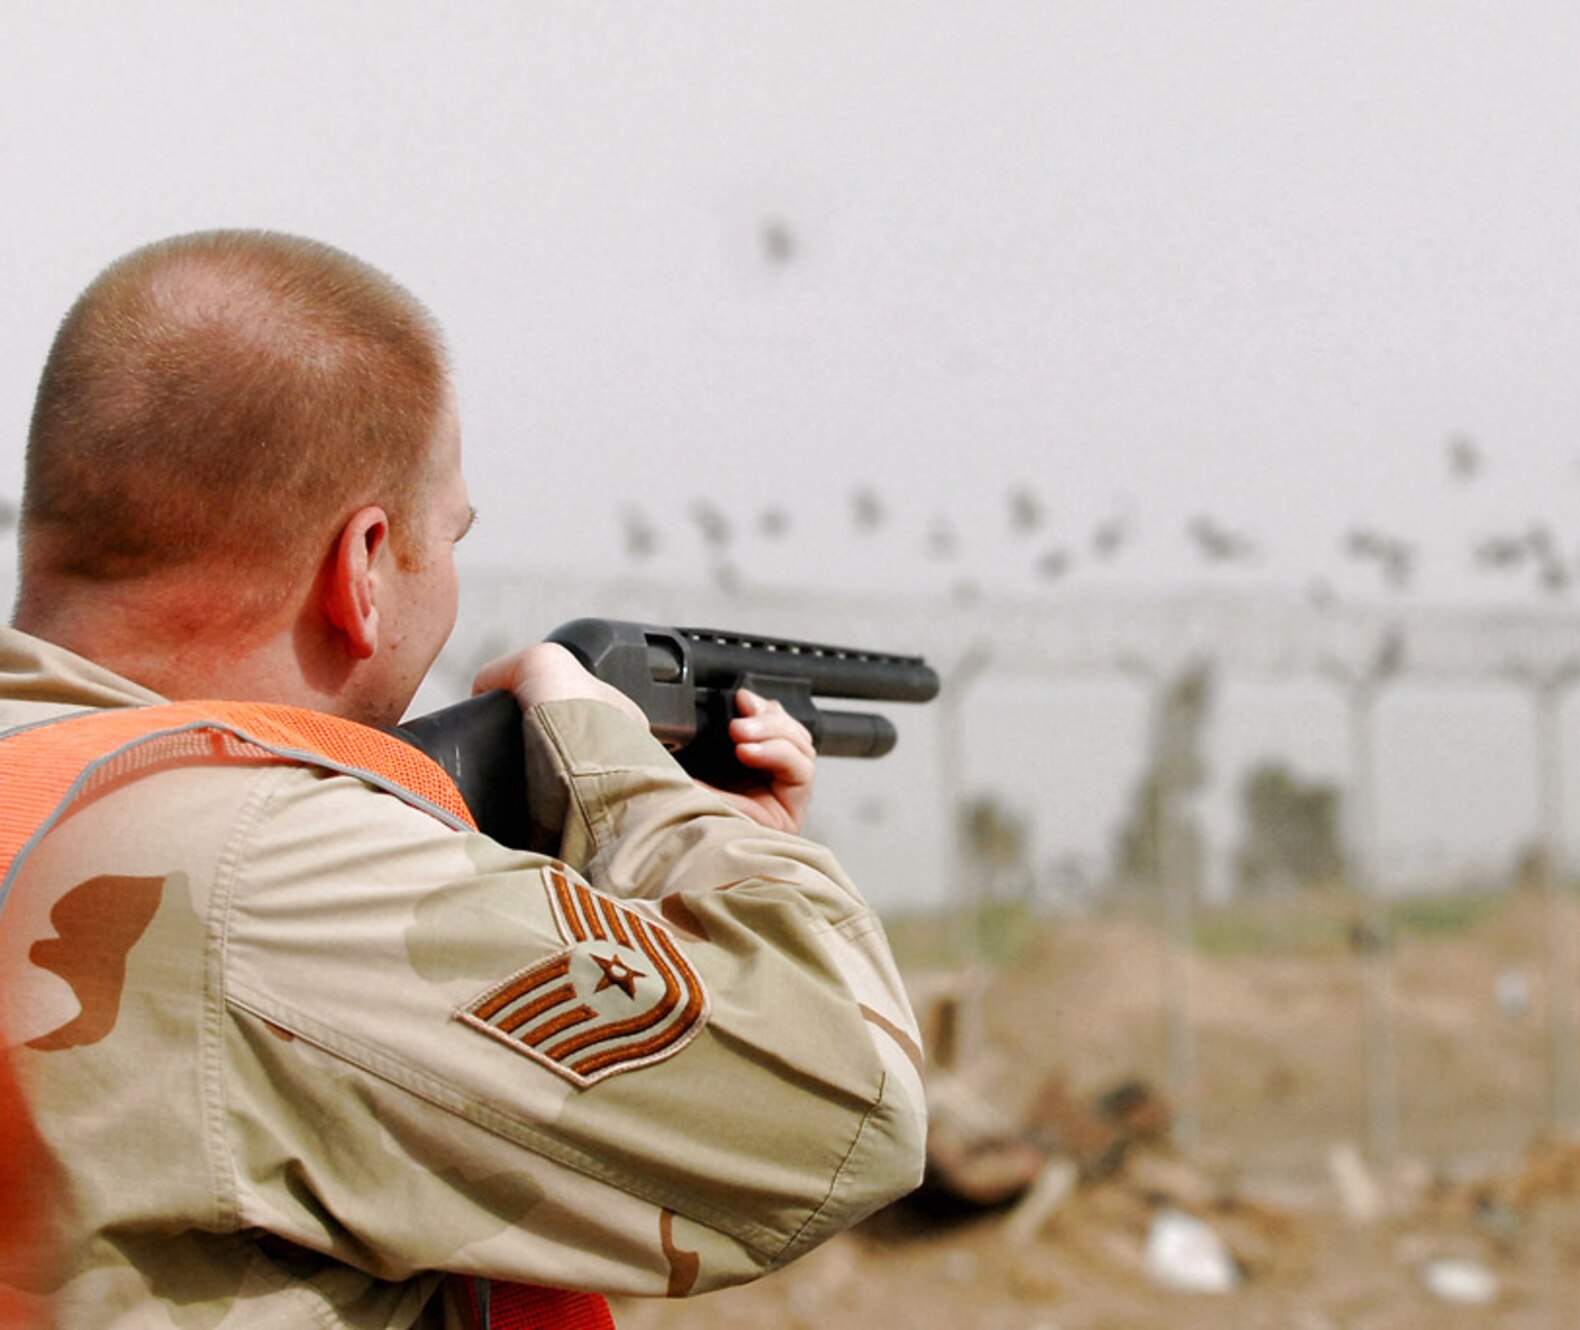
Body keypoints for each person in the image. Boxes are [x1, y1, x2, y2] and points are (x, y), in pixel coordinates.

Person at [0, 231, 927, 1328]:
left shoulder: (50, 792)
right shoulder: (265, 863)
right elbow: (849, 1102)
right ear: (362, 567)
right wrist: (646, 797)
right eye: (448, 539)